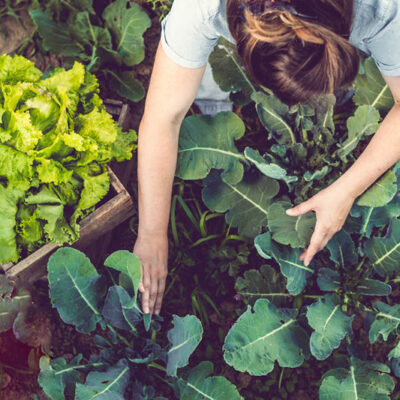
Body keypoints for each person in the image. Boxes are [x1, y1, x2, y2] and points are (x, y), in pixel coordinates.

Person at [133, 0, 400, 315]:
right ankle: (214, 97)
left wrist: (346, 189)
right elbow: (163, 118)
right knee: (197, 77)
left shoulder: (382, 7)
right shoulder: (201, 8)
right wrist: (151, 232)